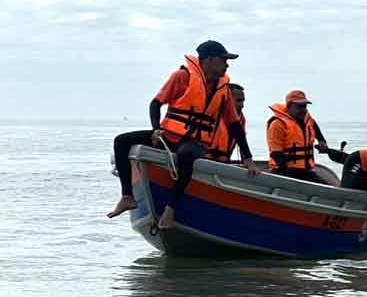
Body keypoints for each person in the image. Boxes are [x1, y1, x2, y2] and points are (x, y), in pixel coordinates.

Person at [107, 40, 256, 227]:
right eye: (224, 60)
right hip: (169, 135)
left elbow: (235, 125)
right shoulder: (182, 76)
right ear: (209, 60)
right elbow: (156, 103)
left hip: (195, 142)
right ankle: (127, 196)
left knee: (186, 155)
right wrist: (156, 129)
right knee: (121, 141)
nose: (227, 65)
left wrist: (248, 158)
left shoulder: (223, 90)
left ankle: (170, 208)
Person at [266, 90, 336, 184]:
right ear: (289, 106)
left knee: (326, 187)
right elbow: (276, 153)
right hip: (283, 171)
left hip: (305, 171)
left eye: (305, 106)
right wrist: (288, 176)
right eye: (299, 106)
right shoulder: (278, 124)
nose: (303, 110)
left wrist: (321, 140)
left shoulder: (307, 119)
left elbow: (314, 125)